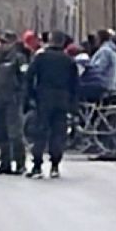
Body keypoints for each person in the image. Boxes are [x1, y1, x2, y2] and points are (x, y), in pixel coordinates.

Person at [26, 31, 78, 179]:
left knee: (40, 132)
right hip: (62, 99)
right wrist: (73, 103)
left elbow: (29, 77)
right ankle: (55, 165)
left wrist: (31, 96)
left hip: (44, 98)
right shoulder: (68, 61)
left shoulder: (41, 58)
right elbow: (74, 84)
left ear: (50, 41)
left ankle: (37, 165)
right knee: (58, 133)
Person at [0, 32, 27, 175]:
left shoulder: (18, 58)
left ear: (12, 43)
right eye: (1, 42)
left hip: (13, 99)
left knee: (15, 133)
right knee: (1, 133)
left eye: (5, 42)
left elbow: (24, 78)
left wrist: (21, 95)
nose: (2, 45)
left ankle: (20, 163)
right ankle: (5, 163)